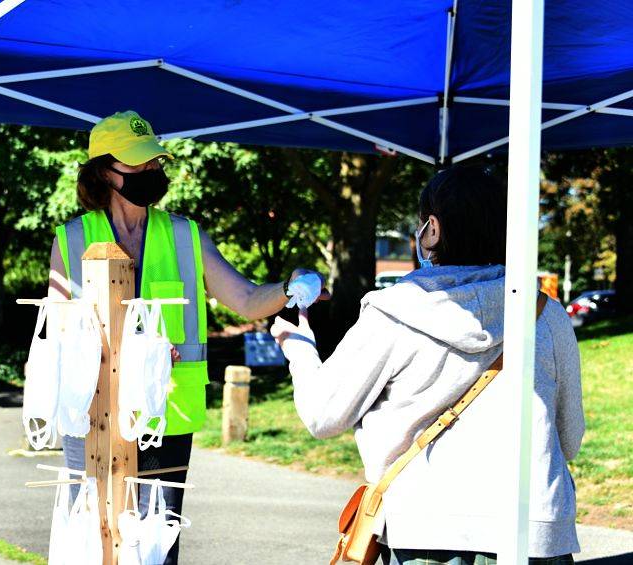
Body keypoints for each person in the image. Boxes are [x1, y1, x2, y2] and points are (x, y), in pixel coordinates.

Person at [271, 165, 584, 564]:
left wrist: (298, 346)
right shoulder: (546, 314)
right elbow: (570, 439)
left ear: (431, 230)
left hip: (427, 530)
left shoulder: (393, 313)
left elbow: (323, 415)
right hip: (536, 533)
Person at [48, 110, 316, 564]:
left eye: (155, 161)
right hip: (92, 415)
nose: (152, 171)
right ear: (104, 173)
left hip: (165, 418)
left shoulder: (185, 235)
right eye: (138, 164)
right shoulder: (72, 239)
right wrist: (129, 351)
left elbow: (248, 299)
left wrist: (289, 288)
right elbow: (57, 333)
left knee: (156, 549)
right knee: (92, 546)